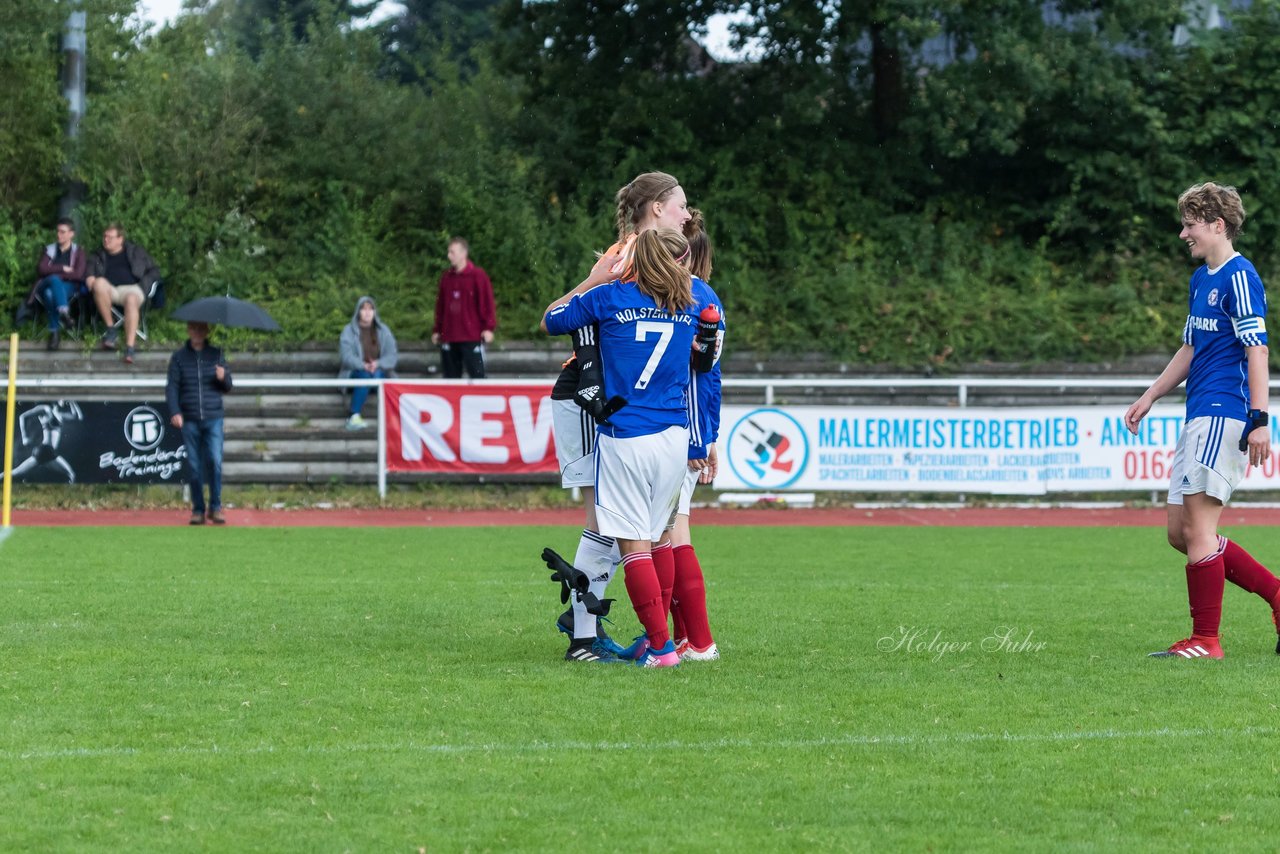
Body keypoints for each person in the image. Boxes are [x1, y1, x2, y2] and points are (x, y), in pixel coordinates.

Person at [543, 227, 719, 668]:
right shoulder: (693, 303)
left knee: (633, 548)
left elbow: (553, 319)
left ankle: (660, 648)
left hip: (626, 434)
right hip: (673, 439)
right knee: (662, 542)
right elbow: (704, 361)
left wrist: (594, 278)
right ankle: (669, 641)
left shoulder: (610, 297)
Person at [1124, 182, 1280, 660]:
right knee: (1181, 533)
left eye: (1190, 225)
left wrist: (1259, 419)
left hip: (1224, 415)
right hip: (1198, 417)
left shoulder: (1239, 275)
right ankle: (1278, 595)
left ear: (1217, 225)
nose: (1182, 234)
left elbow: (1257, 349)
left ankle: (1206, 640)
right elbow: (1191, 348)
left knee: (1198, 532)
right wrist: (1151, 394)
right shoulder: (1201, 280)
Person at [664, 209, 723, 662]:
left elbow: (702, 375)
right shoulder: (702, 297)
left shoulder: (694, 298)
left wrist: (702, 441)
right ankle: (686, 640)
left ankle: (698, 642)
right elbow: (711, 377)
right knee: (667, 533)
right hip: (683, 429)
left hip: (675, 431)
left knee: (672, 533)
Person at [166, 321, 233, 526]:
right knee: (194, 466)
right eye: (193, 328)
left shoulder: (217, 354)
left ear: (206, 331)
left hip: (213, 417)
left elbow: (228, 386)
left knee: (215, 461)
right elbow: (172, 388)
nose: (196, 332)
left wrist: (223, 377)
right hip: (190, 417)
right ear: (188, 330)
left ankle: (216, 507)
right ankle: (198, 509)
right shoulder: (178, 358)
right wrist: (175, 411)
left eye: (200, 328)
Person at [85, 223, 161, 364]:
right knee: (98, 282)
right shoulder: (98, 255)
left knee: (132, 299)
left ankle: (130, 347)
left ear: (120, 239)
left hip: (133, 289)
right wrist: (89, 276)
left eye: (110, 237)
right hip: (110, 290)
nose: (106, 240)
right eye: (105, 236)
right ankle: (111, 329)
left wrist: (144, 285)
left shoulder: (136, 252)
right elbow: (89, 269)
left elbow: (155, 271)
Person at [432, 237, 495, 379]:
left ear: (463, 253)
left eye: (452, 252)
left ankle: (480, 401)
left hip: (471, 335)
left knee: (478, 377)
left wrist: (488, 327)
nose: (449, 256)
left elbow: (487, 303)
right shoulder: (446, 278)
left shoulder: (478, 276)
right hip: (449, 336)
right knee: (450, 380)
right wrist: (437, 329)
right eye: (449, 252)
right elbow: (440, 306)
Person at [25, 218, 87, 350]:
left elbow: (78, 274)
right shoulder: (50, 249)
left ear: (71, 234)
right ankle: (64, 313)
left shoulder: (78, 252)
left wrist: (54, 273)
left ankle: (54, 334)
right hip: (45, 283)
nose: (59, 235)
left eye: (63, 232)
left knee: (50, 293)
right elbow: (41, 269)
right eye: (58, 231)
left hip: (68, 287)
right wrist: (62, 269)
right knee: (52, 281)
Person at [338, 296, 399, 430]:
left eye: (371, 309)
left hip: (379, 371)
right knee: (365, 377)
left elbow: (392, 355)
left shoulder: (384, 331)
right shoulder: (348, 331)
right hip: (356, 372)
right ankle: (354, 416)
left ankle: (392, 419)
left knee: (377, 376)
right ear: (358, 311)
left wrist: (377, 364)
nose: (367, 312)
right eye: (364, 309)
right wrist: (363, 365)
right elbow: (346, 356)